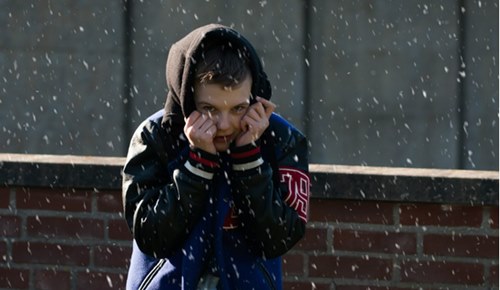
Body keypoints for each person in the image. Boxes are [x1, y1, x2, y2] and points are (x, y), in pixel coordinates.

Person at [122, 23, 310, 290]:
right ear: (187, 98)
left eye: (238, 108)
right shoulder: (154, 137)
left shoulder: (281, 140)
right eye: (209, 108)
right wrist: (198, 165)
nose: (224, 124)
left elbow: (277, 239)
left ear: (255, 97)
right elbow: (152, 236)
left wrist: (248, 159)